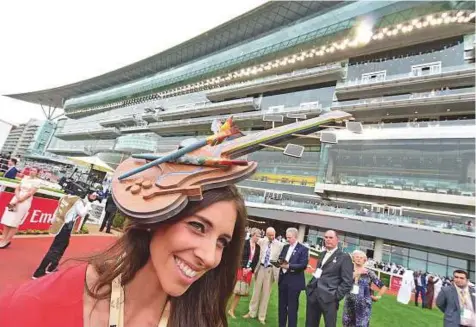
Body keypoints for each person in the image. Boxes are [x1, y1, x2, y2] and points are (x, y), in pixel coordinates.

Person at [0, 152, 252, 327]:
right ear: (156, 218)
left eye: (222, 242)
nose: (209, 257)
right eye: (197, 226)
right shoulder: (49, 297)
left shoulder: (201, 317)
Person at [32, 187, 90, 279]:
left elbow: (57, 210)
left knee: (62, 246)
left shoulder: (64, 197)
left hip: (59, 224)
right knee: (56, 249)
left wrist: (53, 220)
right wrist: (87, 205)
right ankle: (40, 271)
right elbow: (82, 213)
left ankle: (52, 266)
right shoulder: (77, 201)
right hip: (65, 227)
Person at [305, 230, 353, 327]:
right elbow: (319, 273)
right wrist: (310, 288)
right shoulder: (322, 254)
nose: (327, 240)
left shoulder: (344, 257)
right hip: (313, 295)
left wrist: (335, 297)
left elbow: (347, 282)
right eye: (326, 237)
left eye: (330, 238)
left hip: (330, 298)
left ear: (337, 240)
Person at [244, 226, 284, 324]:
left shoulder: (280, 245)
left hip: (270, 270)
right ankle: (252, 312)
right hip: (260, 268)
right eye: (269, 235)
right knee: (256, 292)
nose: (271, 237)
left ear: (275, 234)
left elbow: (282, 258)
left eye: (273, 235)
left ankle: (261, 316)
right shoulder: (262, 241)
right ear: (266, 234)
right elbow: (251, 240)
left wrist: (278, 266)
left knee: (266, 294)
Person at [342, 250, 387, 327]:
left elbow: (383, 287)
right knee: (347, 324)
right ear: (353, 258)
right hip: (349, 304)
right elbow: (343, 280)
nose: (359, 259)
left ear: (364, 260)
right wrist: (358, 273)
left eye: (361, 257)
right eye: (357, 257)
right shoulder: (348, 271)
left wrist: (377, 297)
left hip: (364, 306)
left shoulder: (369, 273)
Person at [0, 167, 41, 248]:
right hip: (15, 198)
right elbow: (17, 188)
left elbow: (30, 193)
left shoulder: (38, 181)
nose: (31, 172)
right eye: (31, 170)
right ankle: (3, 238)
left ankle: (7, 240)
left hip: (24, 201)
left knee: (15, 221)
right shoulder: (25, 178)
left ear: (37, 173)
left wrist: (19, 200)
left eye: (34, 171)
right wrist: (17, 197)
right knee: (7, 218)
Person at [278, 227, 309, 327]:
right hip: (283, 280)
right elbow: (281, 258)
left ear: (295, 237)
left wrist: (289, 266)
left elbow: (303, 265)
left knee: (292, 308)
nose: (287, 239)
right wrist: (279, 262)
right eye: (287, 237)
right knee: (281, 307)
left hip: (294, 282)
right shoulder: (285, 247)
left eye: (289, 237)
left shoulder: (303, 249)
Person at [228, 227, 261, 318]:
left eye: (259, 236)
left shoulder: (258, 247)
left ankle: (231, 310)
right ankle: (223, 307)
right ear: (253, 235)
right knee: (233, 289)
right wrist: (243, 267)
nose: (258, 238)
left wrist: (250, 269)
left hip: (249, 271)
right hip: (240, 269)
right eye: (257, 236)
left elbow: (255, 260)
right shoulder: (244, 243)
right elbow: (239, 255)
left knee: (240, 292)